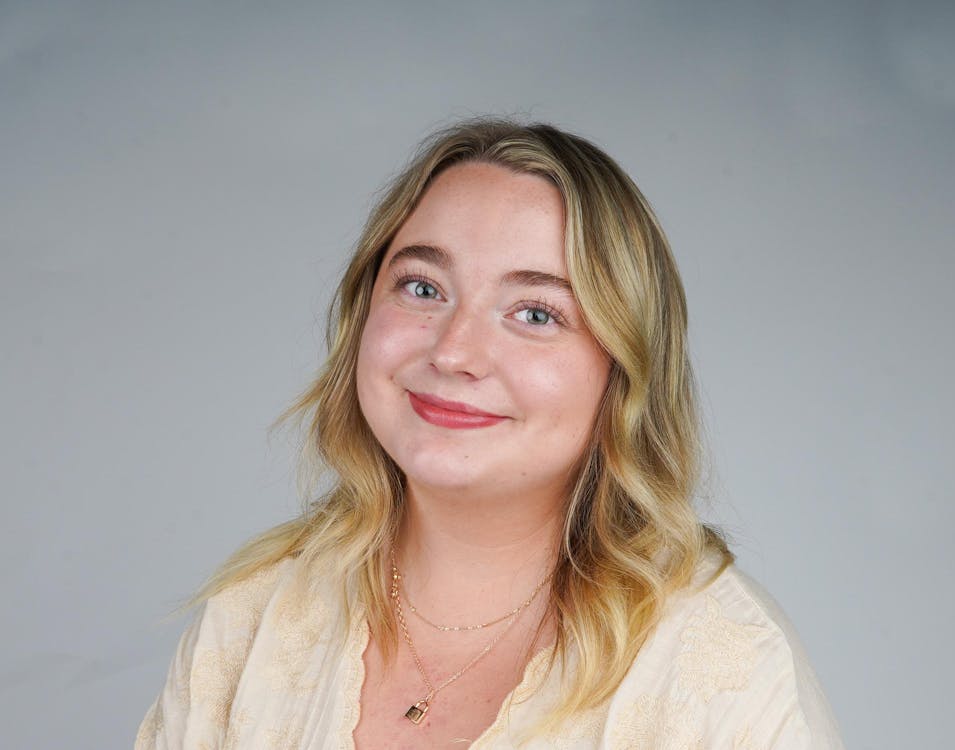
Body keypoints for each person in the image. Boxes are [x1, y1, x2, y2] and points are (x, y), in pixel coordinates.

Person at [135, 118, 845, 749]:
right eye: (423, 288)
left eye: (534, 313)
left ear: (622, 372)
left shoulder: (720, 669)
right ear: (362, 316)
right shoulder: (252, 620)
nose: (452, 353)